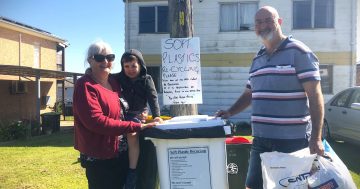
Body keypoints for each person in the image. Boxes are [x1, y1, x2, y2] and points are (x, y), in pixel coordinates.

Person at [216, 6, 325, 189]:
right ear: (254, 28)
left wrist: (316, 137)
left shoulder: (299, 51)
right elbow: (249, 94)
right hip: (260, 139)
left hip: (292, 141)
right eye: (259, 22)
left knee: (292, 187)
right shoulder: (257, 59)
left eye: (268, 20)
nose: (263, 25)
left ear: (279, 22)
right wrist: (230, 112)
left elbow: (315, 96)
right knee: (254, 186)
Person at [73, 41, 157, 189]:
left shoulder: (115, 82)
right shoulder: (85, 85)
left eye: (110, 57)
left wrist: (144, 113)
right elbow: (96, 121)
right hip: (100, 159)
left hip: (121, 155)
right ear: (90, 60)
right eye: (99, 58)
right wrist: (135, 126)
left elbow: (126, 107)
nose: (106, 61)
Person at [114, 49, 163, 189]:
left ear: (140, 65)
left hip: (137, 115)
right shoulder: (118, 78)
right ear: (122, 67)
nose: (130, 69)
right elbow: (103, 79)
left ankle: (132, 171)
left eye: (134, 66)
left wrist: (157, 116)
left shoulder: (146, 79)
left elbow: (153, 98)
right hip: (122, 114)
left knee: (132, 134)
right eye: (126, 66)